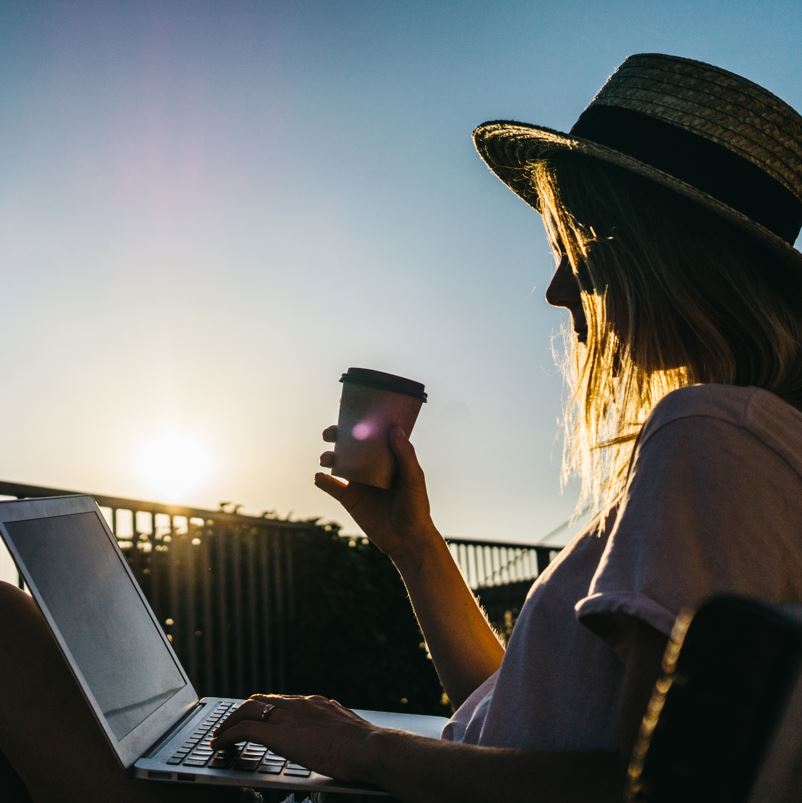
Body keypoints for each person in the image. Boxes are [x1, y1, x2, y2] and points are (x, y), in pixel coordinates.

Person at [2, 52, 802, 803]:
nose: (558, 290)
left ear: (659, 254)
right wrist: (414, 543)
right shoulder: (750, 447)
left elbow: (633, 791)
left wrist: (362, 748)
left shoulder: (709, 434)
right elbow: (508, 716)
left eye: (576, 250)